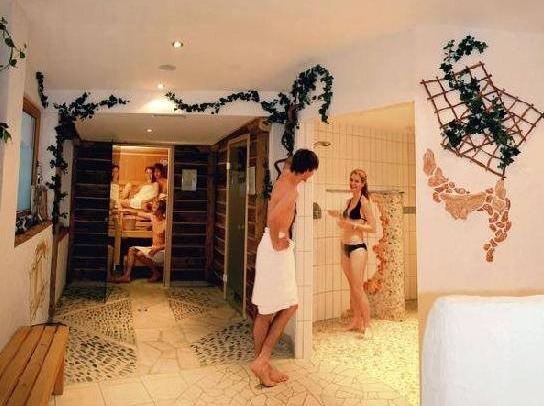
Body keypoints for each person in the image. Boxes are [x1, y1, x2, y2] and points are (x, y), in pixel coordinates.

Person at [250, 149, 319, 387]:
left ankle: (263, 365)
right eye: (312, 171)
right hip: (275, 251)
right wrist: (277, 241)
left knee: (266, 312)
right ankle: (263, 361)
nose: (311, 176)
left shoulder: (284, 180)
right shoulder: (291, 191)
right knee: (289, 306)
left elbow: (288, 166)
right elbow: (273, 219)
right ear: (307, 169)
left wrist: (277, 238)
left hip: (272, 248)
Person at [334, 169, 376, 333]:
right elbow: (345, 223)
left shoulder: (364, 202)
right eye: (351, 180)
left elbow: (373, 227)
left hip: (357, 248)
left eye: (356, 181)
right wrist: (341, 221)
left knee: (358, 288)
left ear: (363, 184)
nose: (353, 183)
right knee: (352, 287)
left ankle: (368, 325)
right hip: (344, 247)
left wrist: (353, 225)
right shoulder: (348, 202)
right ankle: (356, 321)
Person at [117, 200, 166, 283]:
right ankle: (127, 276)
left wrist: (157, 249)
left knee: (140, 254)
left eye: (154, 207)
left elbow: (169, 243)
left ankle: (156, 273)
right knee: (132, 249)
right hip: (153, 248)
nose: (152, 209)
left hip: (162, 252)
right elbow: (137, 213)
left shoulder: (166, 224)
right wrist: (125, 211)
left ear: (160, 211)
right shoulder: (152, 217)